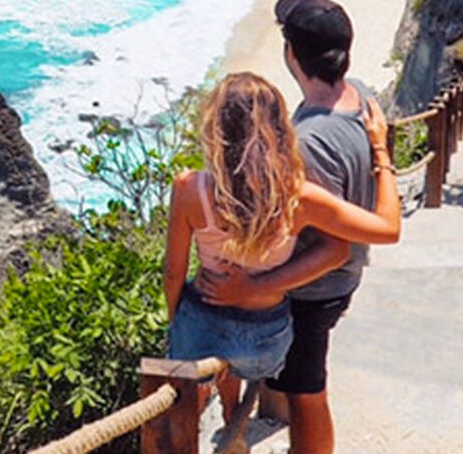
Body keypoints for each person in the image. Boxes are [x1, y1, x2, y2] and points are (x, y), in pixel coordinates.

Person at [197, 0, 387, 454]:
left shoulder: (305, 142)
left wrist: (253, 283)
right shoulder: (362, 99)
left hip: (314, 284)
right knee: (296, 382)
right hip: (338, 279)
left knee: (308, 394)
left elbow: (334, 247)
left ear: (291, 55)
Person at [165, 70, 400, 423]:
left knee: (188, 389)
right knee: (235, 361)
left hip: (203, 324)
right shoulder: (297, 195)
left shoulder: (189, 188)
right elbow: (385, 229)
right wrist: (379, 149)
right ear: (279, 128)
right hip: (264, 343)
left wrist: (175, 323)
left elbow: (173, 272)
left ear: (216, 129)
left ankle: (225, 416)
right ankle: (233, 418)